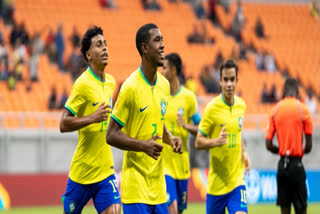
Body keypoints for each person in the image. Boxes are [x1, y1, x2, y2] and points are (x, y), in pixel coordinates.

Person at [106, 23, 183, 214]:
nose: (163, 45)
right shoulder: (130, 87)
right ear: (145, 48)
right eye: (157, 40)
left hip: (158, 189)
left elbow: (157, 123)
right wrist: (143, 146)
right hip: (136, 189)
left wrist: (170, 138)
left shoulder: (164, 85)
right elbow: (111, 135)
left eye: (163, 39)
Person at [59, 26, 120, 214]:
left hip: (106, 170)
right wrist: (92, 118)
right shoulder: (82, 84)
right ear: (89, 55)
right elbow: (63, 123)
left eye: (106, 44)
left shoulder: (111, 82)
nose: (105, 49)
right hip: (82, 173)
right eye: (99, 45)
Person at [195, 59, 250, 214]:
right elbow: (198, 142)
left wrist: (244, 152)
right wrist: (215, 141)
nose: (229, 84)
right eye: (225, 80)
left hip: (236, 182)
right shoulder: (211, 108)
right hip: (216, 186)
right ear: (220, 81)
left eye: (232, 79)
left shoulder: (241, 105)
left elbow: (237, 132)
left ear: (237, 80)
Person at [265, 78, 313, 214]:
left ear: (283, 91)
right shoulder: (303, 109)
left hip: (282, 167)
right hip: (297, 165)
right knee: (301, 210)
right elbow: (309, 146)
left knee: (284, 211)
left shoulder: (274, 110)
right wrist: (300, 150)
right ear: (297, 91)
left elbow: (268, 144)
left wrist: (281, 150)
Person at [161, 53, 201, 214]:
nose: (161, 72)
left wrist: (186, 126)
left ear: (174, 70)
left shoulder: (188, 98)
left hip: (182, 164)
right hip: (164, 164)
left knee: (179, 210)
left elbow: (201, 128)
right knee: (172, 208)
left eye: (164, 68)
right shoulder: (160, 95)